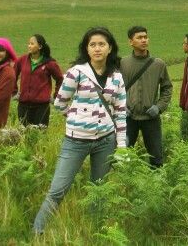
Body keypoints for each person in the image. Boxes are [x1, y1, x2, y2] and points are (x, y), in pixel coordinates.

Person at [33, 27, 127, 234]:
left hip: (106, 140)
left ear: (110, 48)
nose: (97, 49)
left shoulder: (117, 78)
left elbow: (120, 114)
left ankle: (96, 232)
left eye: (102, 44)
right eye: (92, 44)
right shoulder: (76, 73)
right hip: (75, 141)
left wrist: (121, 146)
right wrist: (77, 118)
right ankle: (36, 233)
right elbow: (60, 104)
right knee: (57, 190)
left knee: (98, 190)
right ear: (86, 49)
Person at [119, 26, 172, 167]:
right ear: (131, 42)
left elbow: (167, 88)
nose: (143, 40)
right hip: (128, 118)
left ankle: (156, 185)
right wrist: (121, 107)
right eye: (139, 37)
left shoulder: (158, 64)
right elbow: (114, 89)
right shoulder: (123, 63)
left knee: (156, 157)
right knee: (124, 156)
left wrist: (159, 107)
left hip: (151, 118)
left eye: (145, 37)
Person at [15, 34, 64, 127]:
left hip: (41, 107)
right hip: (23, 105)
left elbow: (60, 79)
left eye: (32, 44)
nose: (29, 46)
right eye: (28, 43)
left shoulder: (50, 63)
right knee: (23, 134)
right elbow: (13, 76)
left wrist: (56, 96)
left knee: (40, 134)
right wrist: (14, 92)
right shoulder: (21, 60)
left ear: (40, 46)